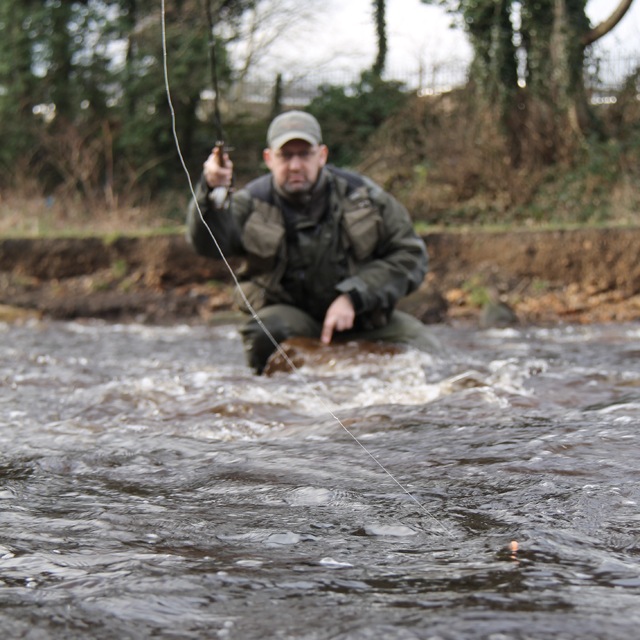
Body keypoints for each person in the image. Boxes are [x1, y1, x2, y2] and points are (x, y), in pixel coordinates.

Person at [186, 110, 439, 373]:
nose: (295, 165)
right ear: (269, 159)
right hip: (291, 318)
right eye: (285, 155)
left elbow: (411, 256)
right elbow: (207, 244)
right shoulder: (250, 203)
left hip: (364, 316)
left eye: (304, 154)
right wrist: (211, 189)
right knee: (266, 331)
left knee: (430, 355)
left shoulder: (365, 197)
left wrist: (354, 296)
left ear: (322, 155)